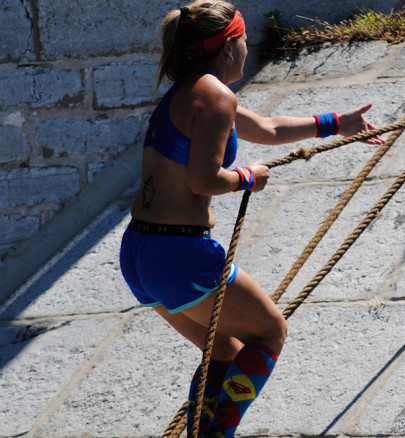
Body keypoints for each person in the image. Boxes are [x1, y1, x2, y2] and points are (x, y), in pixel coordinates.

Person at [119, 1, 385, 437]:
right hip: (179, 250)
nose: (248, 47)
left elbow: (267, 128)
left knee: (223, 348)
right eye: (243, 40)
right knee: (270, 331)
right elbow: (205, 180)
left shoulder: (191, 92)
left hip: (139, 253)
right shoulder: (216, 96)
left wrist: (336, 123)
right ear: (228, 47)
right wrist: (248, 177)